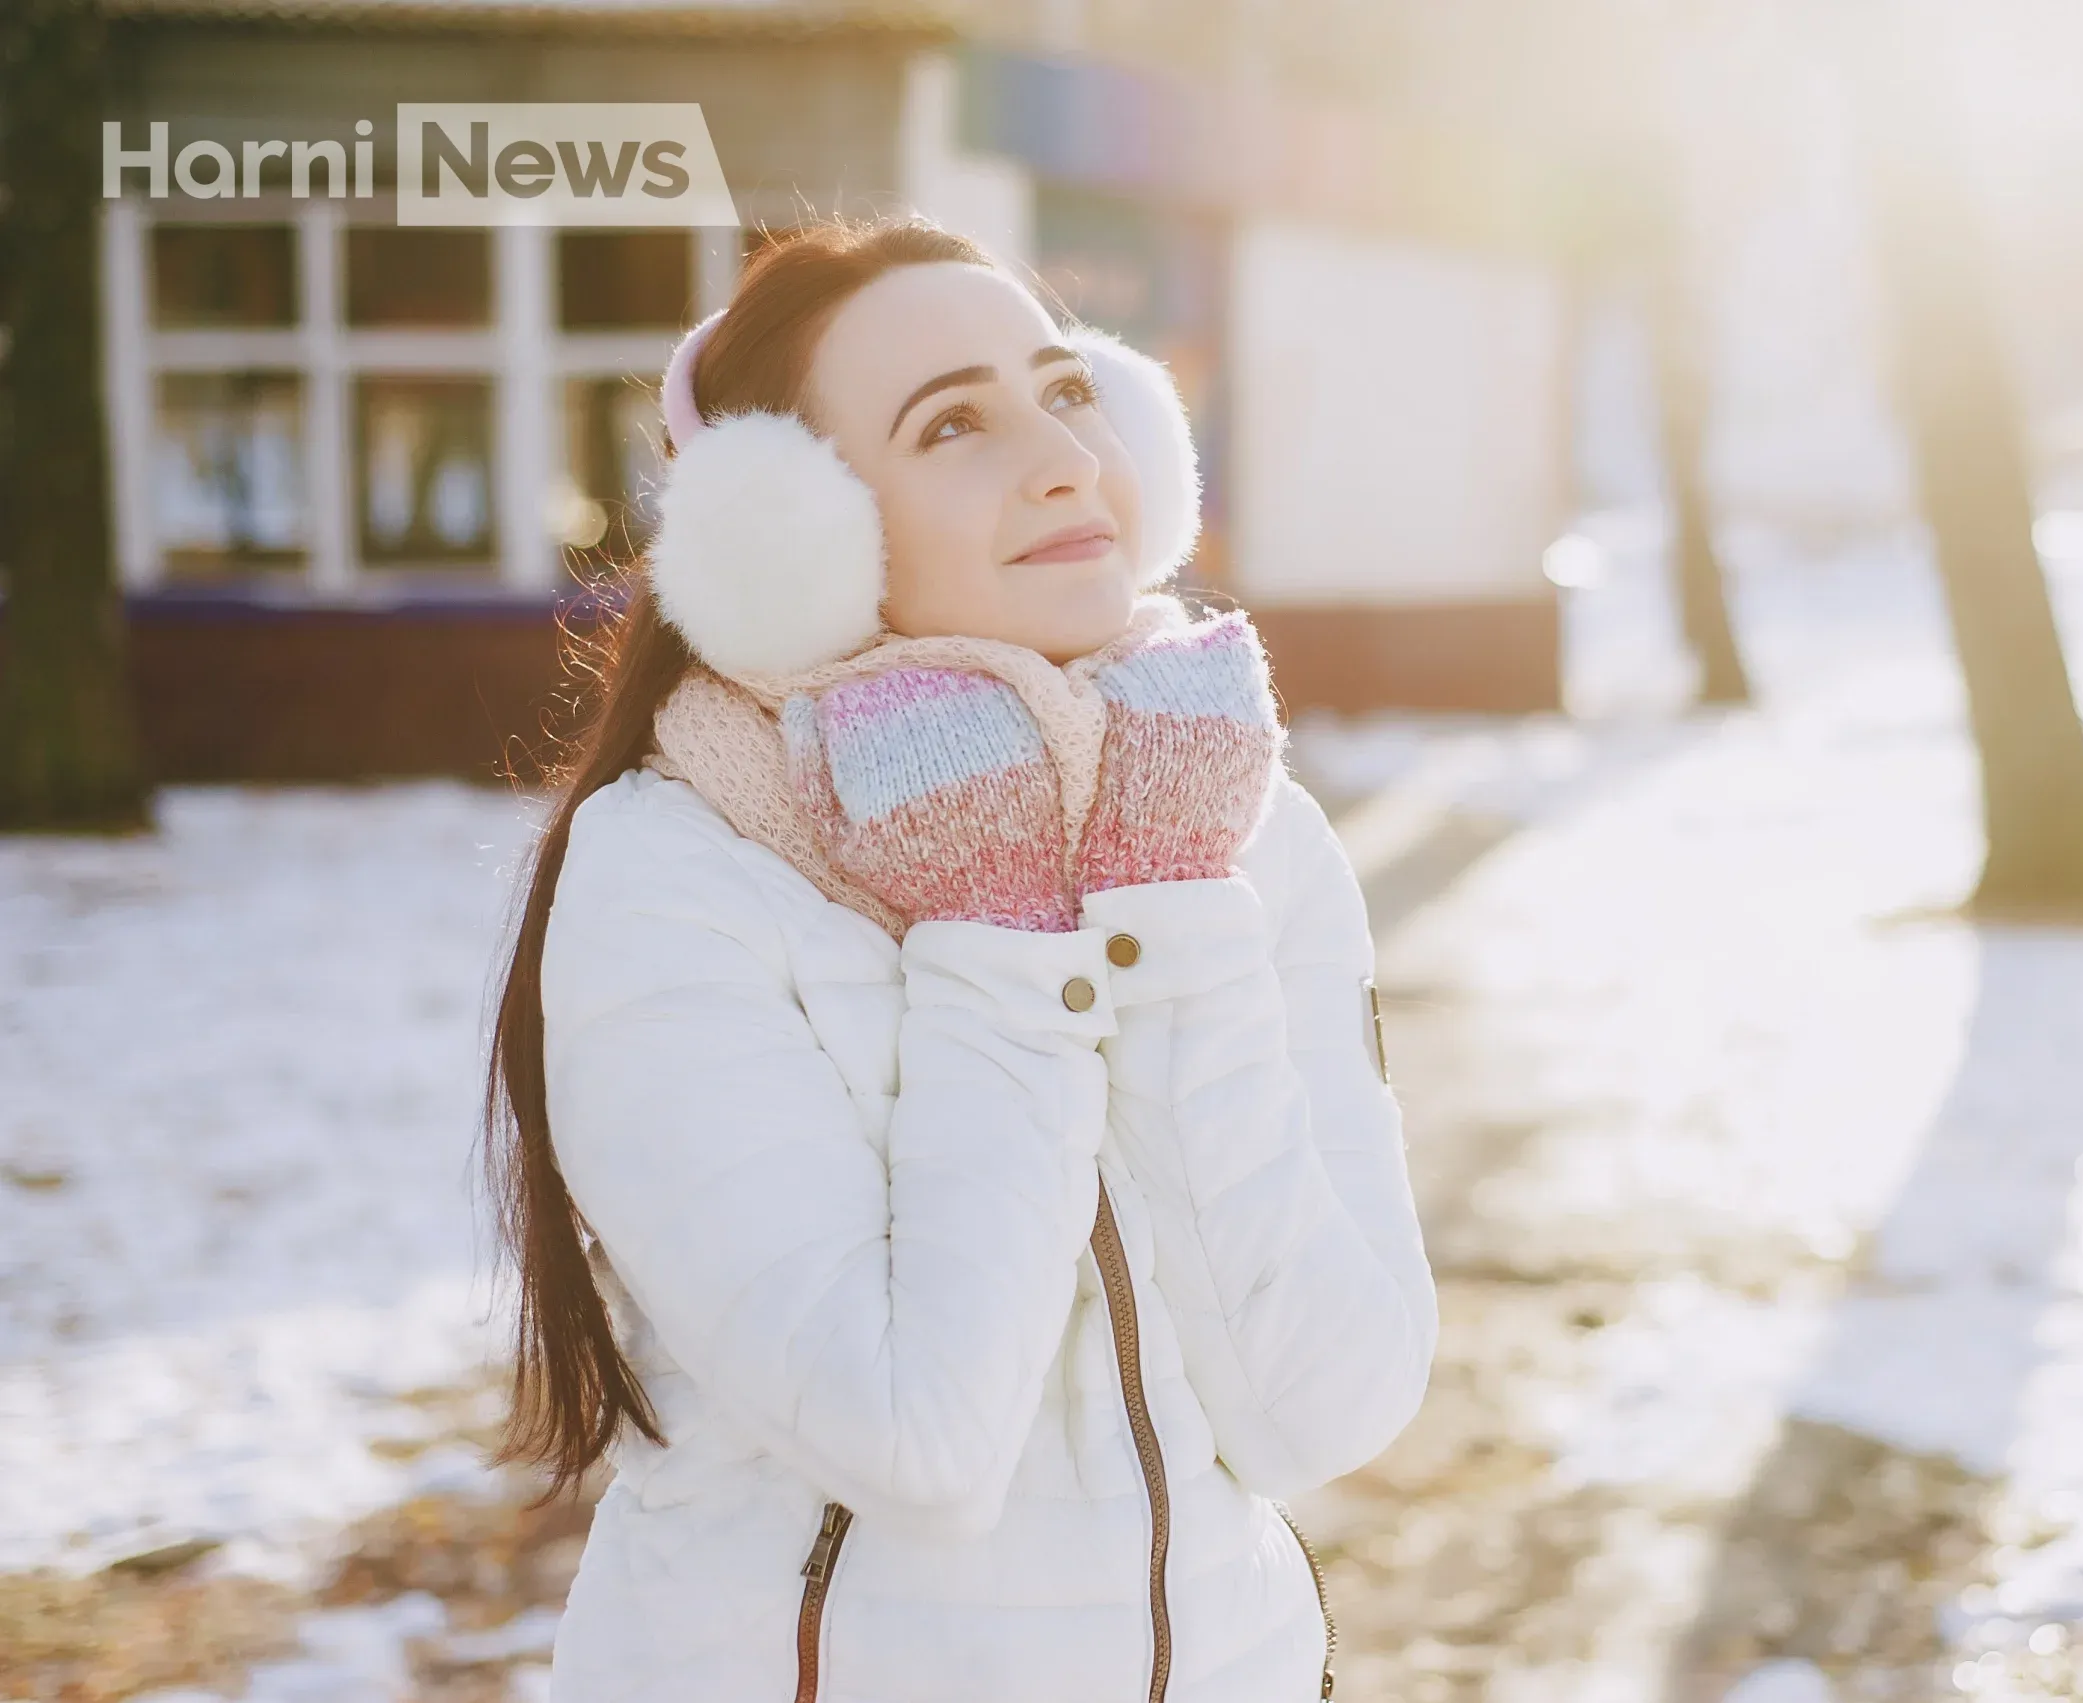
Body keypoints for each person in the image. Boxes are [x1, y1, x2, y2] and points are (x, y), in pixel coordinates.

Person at [480, 214, 1437, 1703]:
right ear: (796, 538)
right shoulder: (674, 880)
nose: (1063, 458)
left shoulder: (1228, 824)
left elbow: (1326, 1406)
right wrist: (996, 924)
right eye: (954, 426)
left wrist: (1163, 903)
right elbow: (916, 1437)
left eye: (1067, 393)